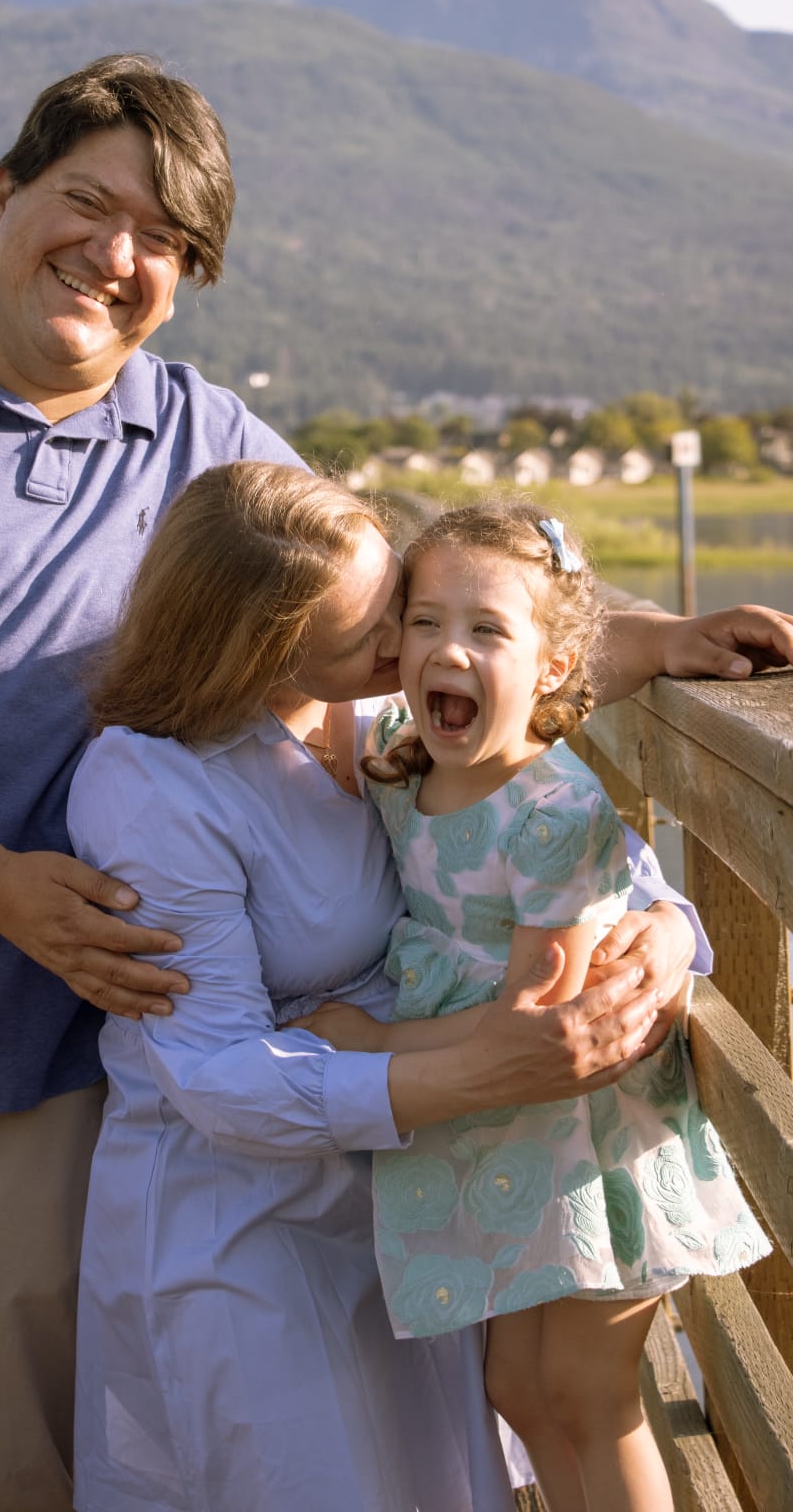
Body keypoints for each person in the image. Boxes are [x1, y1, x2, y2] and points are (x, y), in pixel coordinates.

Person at [0, 50, 789, 1512]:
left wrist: (656, 639)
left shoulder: (202, 439)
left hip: (48, 1087)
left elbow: (415, 602)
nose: (119, 256)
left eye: (168, 242)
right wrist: (1, 891)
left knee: (17, 1484)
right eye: (87, 201)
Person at [64, 460, 773, 1512]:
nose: (407, 648)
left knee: (486, 1448)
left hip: (416, 1192)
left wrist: (669, 927)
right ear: (262, 650)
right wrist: (426, 1057)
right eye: (379, 635)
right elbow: (215, 1076)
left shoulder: (384, 732)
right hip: (254, 1220)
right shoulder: (159, 787)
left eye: (395, 608)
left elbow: (543, 799)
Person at [297, 501, 769, 1512]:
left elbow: (535, 1015)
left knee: (588, 1395)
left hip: (584, 1125)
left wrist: (379, 1045)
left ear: (553, 670)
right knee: (517, 1387)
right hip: (493, 1121)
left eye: (486, 630)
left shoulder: (551, 811)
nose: (446, 650)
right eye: (423, 622)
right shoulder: (402, 761)